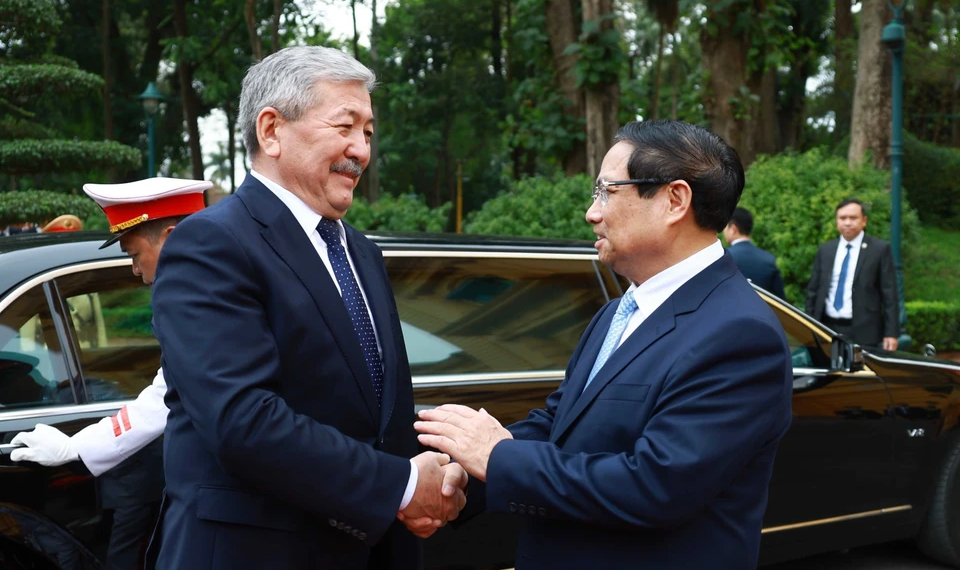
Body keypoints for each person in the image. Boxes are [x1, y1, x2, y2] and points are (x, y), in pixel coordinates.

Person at [415, 120, 793, 570]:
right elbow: (561, 424)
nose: (592, 213)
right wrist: (462, 476)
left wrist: (498, 457)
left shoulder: (739, 333)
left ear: (674, 200)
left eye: (607, 192)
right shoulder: (619, 311)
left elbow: (655, 487)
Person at [146, 45, 465, 570]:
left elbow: (377, 414)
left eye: (368, 131)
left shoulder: (360, 250)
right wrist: (404, 485)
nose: (361, 150)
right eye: (345, 126)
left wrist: (437, 476)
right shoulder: (210, 243)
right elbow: (243, 420)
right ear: (271, 130)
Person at [11, 177, 213, 570]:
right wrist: (79, 446)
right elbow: (166, 390)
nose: (136, 271)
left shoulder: (199, 297)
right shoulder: (211, 287)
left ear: (170, 238)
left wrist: (77, 447)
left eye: (135, 254)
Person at [805, 198, 899, 351]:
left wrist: (891, 333)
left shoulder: (879, 250)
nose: (847, 223)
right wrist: (808, 325)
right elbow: (813, 290)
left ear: (864, 221)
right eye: (842, 218)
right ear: (836, 221)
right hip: (826, 328)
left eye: (853, 218)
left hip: (864, 330)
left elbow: (890, 294)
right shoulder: (826, 250)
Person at [722, 206, 786, 299]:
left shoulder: (723, 258)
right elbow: (780, 301)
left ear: (733, 229)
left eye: (725, 226)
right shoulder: (769, 260)